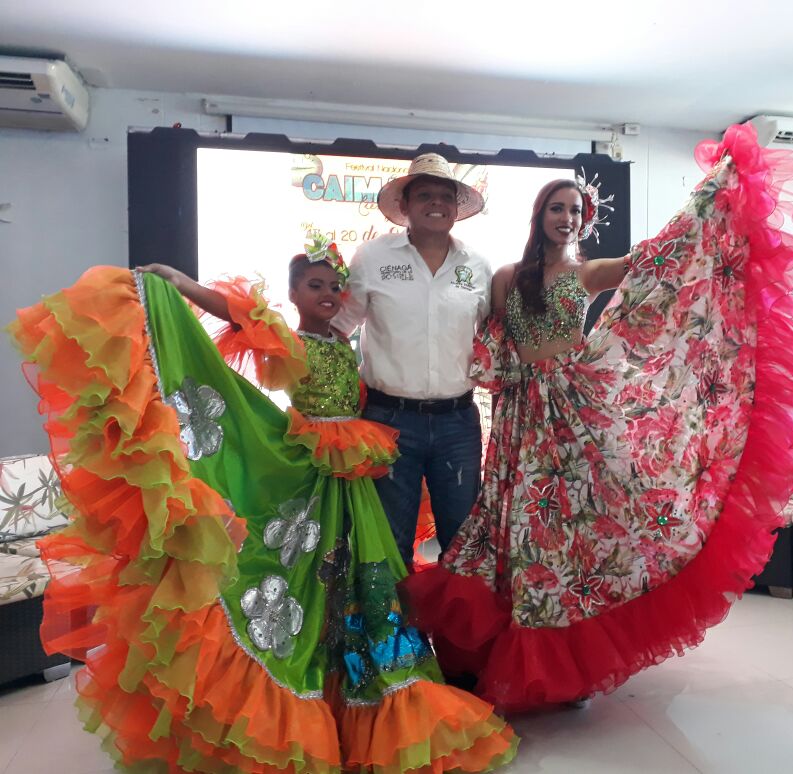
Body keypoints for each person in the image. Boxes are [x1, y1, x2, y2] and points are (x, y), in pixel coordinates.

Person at [9, 241, 517, 773]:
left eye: (332, 286)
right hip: (312, 476)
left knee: (363, 581)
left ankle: (364, 695)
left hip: (355, 486)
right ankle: (312, 697)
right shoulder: (293, 343)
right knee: (309, 582)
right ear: (294, 292)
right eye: (313, 285)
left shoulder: (347, 341)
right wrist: (181, 284)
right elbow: (243, 317)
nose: (326, 294)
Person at [401, 124, 793, 712]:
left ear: (585, 218)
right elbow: (493, 349)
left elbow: (661, 259)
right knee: (517, 530)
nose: (566, 217)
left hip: (577, 416)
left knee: (577, 532)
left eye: (575, 209)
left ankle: (569, 665)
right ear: (539, 215)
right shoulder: (505, 278)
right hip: (523, 418)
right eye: (556, 207)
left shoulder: (589, 273)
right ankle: (494, 653)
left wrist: (717, 198)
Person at [334, 153, 490, 566]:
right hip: (388, 421)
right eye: (424, 195)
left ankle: (457, 633)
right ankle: (395, 631)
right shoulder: (372, 258)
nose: (435, 203)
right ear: (404, 206)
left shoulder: (477, 267)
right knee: (390, 542)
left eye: (445, 196)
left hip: (457, 424)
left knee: (461, 543)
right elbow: (337, 328)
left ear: (457, 208)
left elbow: (498, 337)